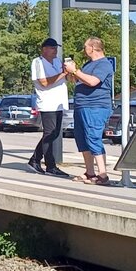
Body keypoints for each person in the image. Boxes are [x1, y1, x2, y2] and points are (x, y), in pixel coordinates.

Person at [64, 37, 115, 185]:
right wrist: (71, 73)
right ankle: (90, 172)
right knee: (82, 139)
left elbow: (93, 82)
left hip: (96, 106)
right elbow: (79, 80)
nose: (84, 49)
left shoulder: (104, 64)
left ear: (92, 48)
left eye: (85, 47)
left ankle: (103, 174)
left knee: (93, 137)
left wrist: (76, 70)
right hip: (81, 105)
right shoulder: (88, 64)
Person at [28, 38, 68, 176]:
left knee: (55, 133)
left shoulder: (57, 61)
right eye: (52, 48)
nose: (55, 51)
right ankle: (50, 164)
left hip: (59, 102)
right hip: (47, 102)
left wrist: (69, 71)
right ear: (44, 49)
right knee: (49, 133)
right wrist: (62, 74)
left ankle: (35, 159)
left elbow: (65, 78)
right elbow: (44, 82)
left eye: (56, 48)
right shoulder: (38, 62)